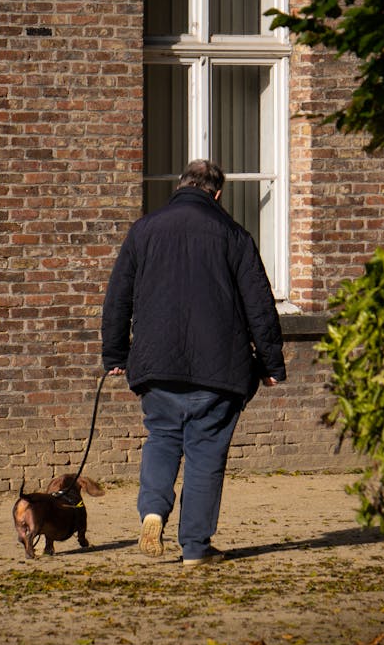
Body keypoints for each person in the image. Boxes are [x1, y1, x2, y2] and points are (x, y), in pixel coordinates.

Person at [101, 159, 286, 567]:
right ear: (217, 194)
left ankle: (152, 512)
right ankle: (196, 550)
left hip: (156, 364)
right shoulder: (233, 235)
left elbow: (118, 298)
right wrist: (272, 363)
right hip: (219, 370)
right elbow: (259, 304)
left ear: (181, 185)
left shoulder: (143, 230)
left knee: (162, 438)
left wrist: (114, 354)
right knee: (205, 454)